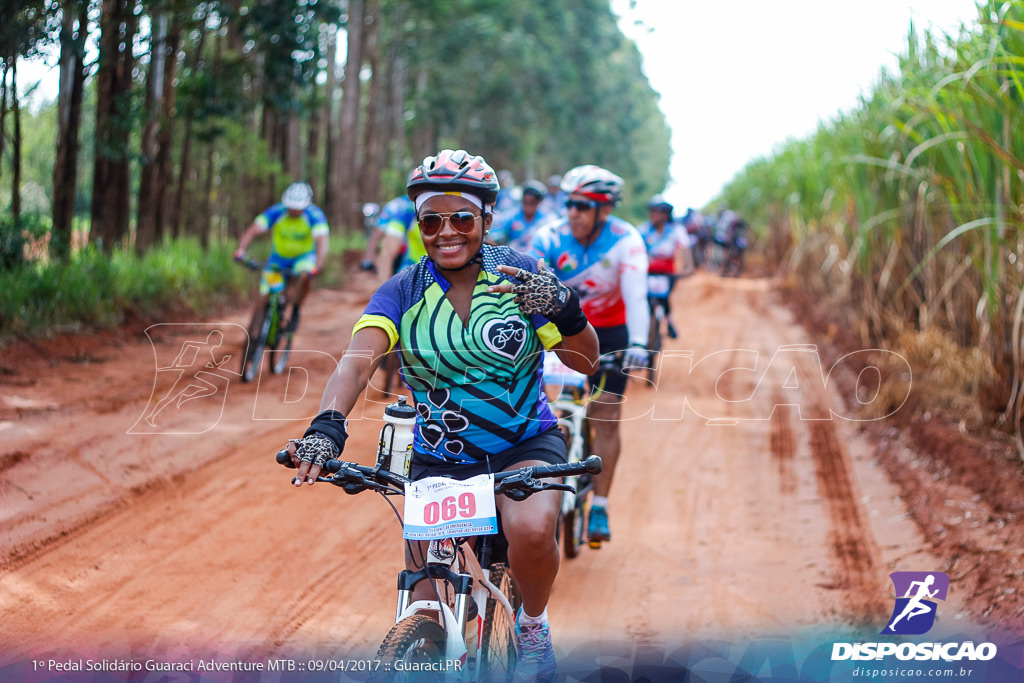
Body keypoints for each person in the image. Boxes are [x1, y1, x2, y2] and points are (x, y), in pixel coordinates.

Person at [285, 149, 599, 680]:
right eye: (431, 219)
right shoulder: (402, 290)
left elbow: (584, 361)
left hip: (524, 441)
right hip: (441, 455)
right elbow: (356, 362)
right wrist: (326, 426)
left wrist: (564, 308)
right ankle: (430, 638)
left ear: (486, 220)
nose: (446, 230)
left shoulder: (520, 274)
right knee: (425, 594)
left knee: (529, 530)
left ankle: (533, 625)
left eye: (461, 218)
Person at [527, 165, 648, 544]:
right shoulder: (548, 236)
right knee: (547, 407)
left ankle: (601, 504)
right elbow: (527, 285)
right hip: (561, 333)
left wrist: (640, 344)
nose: (573, 213)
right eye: (569, 204)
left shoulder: (626, 241)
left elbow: (636, 296)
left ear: (604, 210)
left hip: (611, 335)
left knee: (606, 413)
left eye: (582, 205)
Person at [234, 181, 328, 334]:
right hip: (278, 260)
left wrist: (318, 265)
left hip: (302, 258)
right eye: (291, 207)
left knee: (305, 275)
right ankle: (256, 333)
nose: (294, 210)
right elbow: (254, 229)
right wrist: (241, 250)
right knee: (264, 294)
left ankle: (296, 308)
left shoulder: (314, 215)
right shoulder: (277, 211)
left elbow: (322, 241)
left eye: (298, 208)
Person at [637, 194, 691, 340]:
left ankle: (669, 322)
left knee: (665, 298)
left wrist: (688, 268)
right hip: (647, 272)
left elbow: (685, 250)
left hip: (667, 274)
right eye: (652, 210)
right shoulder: (642, 230)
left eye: (658, 211)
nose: (653, 214)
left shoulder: (675, 231)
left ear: (666, 214)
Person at [359, 194, 423, 283]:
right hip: (409, 259)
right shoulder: (401, 207)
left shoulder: (397, 205)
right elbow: (378, 235)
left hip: (408, 261)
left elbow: (377, 234)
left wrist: (369, 259)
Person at [490, 179, 554, 251]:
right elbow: (495, 233)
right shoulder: (512, 216)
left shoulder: (547, 219)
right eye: (525, 202)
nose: (528, 207)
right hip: (514, 256)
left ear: (539, 202)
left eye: (532, 202)